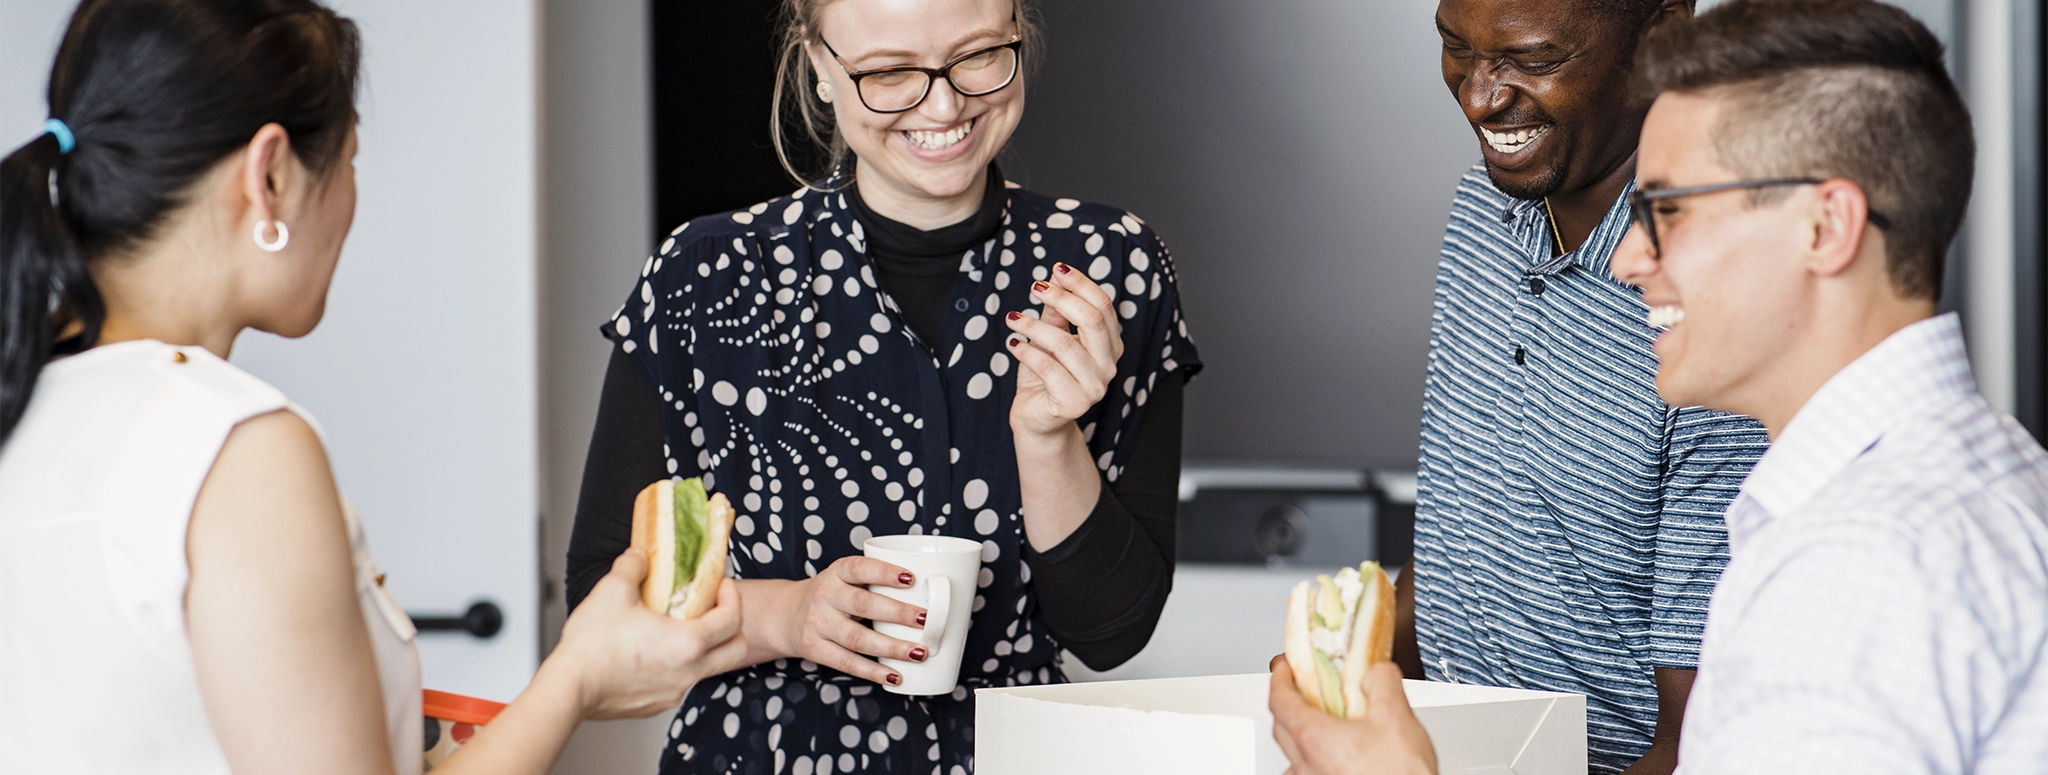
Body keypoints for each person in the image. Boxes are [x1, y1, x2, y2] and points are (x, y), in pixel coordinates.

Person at [1272, 1, 2048, 772]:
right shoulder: (1963, 485)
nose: (1624, 259)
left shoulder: (1856, 573)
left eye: (1669, 210)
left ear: (1824, 229)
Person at [0, 2, 748, 773]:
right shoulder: (237, 448)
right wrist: (578, 675)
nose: (352, 202)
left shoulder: (28, 399)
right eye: (350, 160)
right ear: (271, 174)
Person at [562, 0, 1200, 772]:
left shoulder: (1110, 267)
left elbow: (1111, 633)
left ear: (1019, 31)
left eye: (977, 56)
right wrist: (786, 615)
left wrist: (1046, 436)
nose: (943, 104)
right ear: (818, 64)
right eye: (890, 72)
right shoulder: (707, 275)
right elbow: (601, 605)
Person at [1401, 0, 1770, 771]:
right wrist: (1355, 667)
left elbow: (1694, 743)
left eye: (1531, 61)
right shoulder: (1481, 209)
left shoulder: (1706, 305)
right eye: (1454, 48)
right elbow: (1463, 517)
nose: (1479, 98)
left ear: (1663, 29)